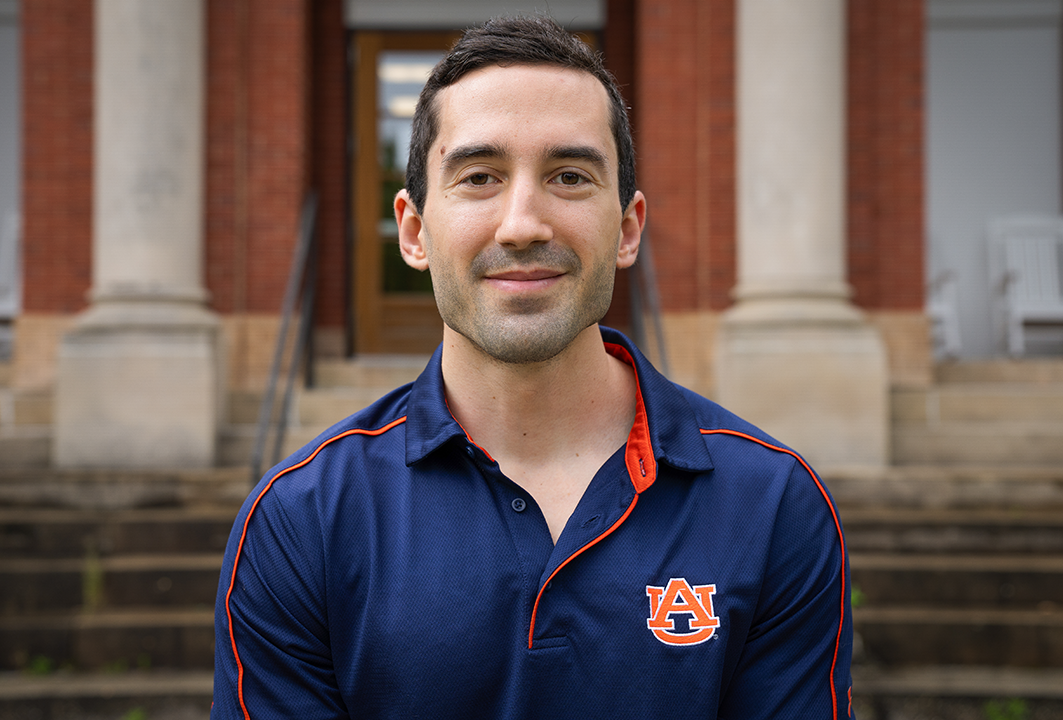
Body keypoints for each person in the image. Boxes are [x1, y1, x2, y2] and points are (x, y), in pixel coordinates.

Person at [213, 15, 852, 719]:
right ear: (416, 231)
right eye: (479, 177)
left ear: (628, 229)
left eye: (570, 176)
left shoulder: (772, 506)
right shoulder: (301, 521)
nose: (523, 224)